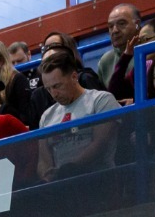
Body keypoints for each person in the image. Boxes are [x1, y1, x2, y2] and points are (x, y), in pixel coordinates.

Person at [35, 51, 121, 179]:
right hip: (61, 184)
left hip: (98, 177)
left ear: (74, 77)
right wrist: (47, 176)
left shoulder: (101, 100)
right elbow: (43, 160)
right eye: (48, 89)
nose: (54, 94)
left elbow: (100, 145)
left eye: (57, 86)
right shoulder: (46, 116)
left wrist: (67, 171)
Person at [97, 3, 143, 102]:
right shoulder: (105, 61)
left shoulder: (150, 49)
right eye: (110, 26)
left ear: (137, 24)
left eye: (121, 24)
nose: (115, 30)